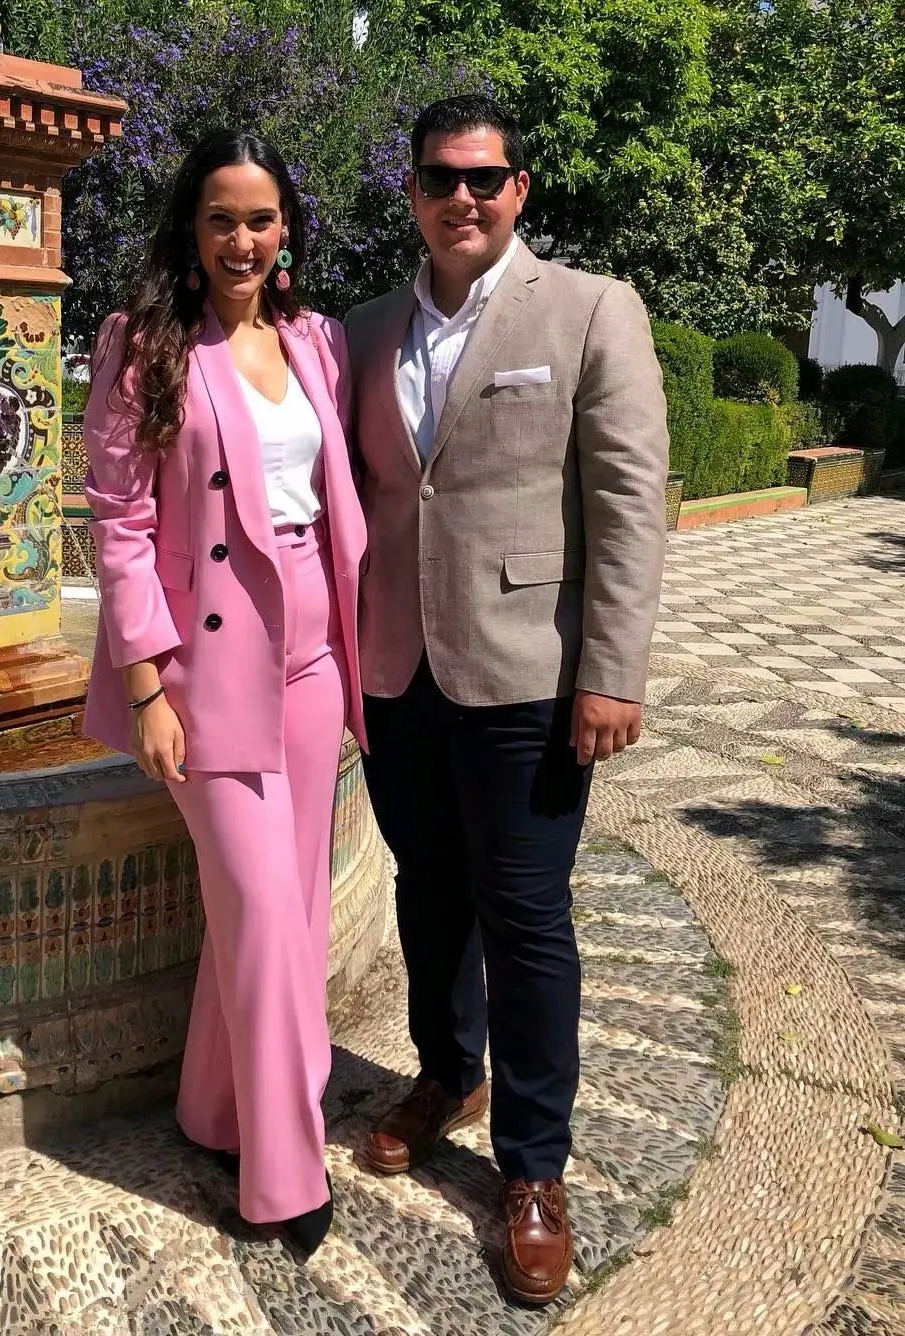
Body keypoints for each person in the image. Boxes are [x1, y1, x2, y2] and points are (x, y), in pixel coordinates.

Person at [345, 95, 669, 1304]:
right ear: (413, 193)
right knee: (425, 888)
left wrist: (611, 670)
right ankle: (447, 1071)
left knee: (527, 919)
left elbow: (629, 502)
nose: (463, 197)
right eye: (440, 177)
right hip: (396, 669)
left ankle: (533, 1167)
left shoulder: (588, 309)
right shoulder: (363, 331)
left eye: (485, 178)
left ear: (519, 189)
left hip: (528, 671)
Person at [82, 129, 367, 1258]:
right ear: (190, 230)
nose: (241, 241)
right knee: (258, 913)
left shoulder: (316, 340)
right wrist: (146, 686)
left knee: (287, 908)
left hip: (312, 654)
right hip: (207, 664)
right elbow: (119, 522)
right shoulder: (145, 344)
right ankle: (286, 1175)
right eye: (220, 220)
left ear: (286, 227)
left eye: (260, 219)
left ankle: (210, 1110)